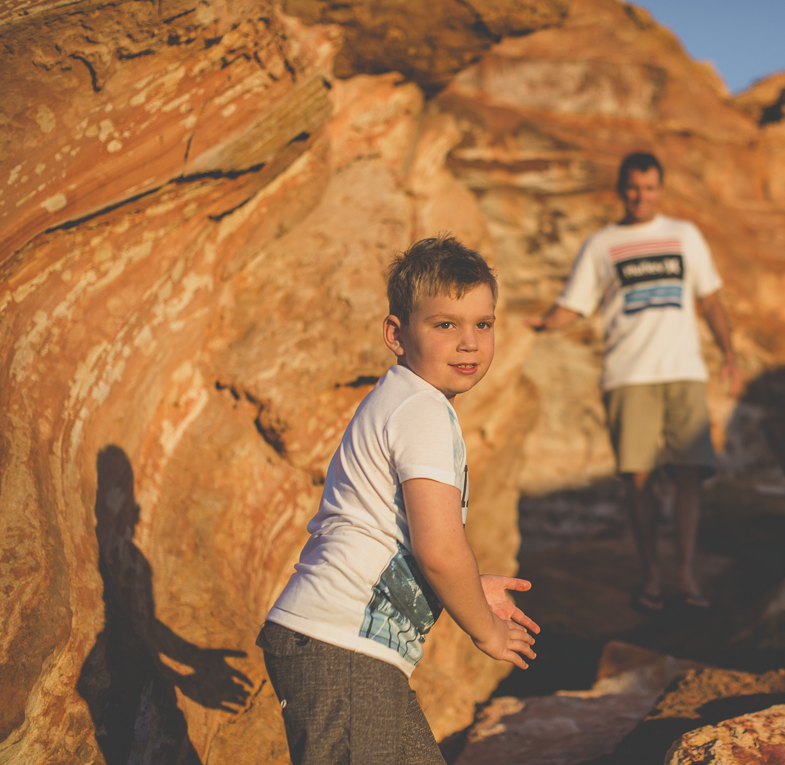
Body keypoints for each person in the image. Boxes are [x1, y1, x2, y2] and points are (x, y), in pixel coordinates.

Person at [257, 236, 539, 765]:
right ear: (396, 334)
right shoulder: (422, 410)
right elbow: (438, 549)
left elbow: (396, 539)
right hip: (340, 648)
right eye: (445, 324)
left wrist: (468, 588)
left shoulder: (408, 402)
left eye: (483, 323)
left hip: (345, 651)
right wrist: (488, 631)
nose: (470, 343)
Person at [527, 152, 741, 612]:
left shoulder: (685, 236)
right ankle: (651, 578)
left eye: (649, 188)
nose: (641, 196)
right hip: (628, 376)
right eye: (633, 188)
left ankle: (684, 575)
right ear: (621, 190)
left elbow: (711, 300)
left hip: (683, 372)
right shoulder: (601, 244)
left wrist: (730, 353)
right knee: (638, 481)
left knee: (688, 476)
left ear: (661, 189)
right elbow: (574, 305)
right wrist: (540, 324)